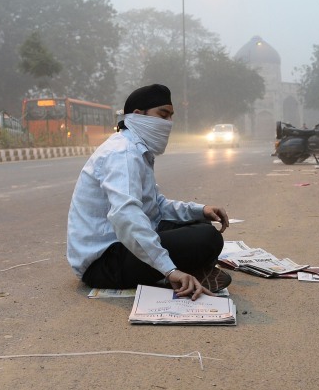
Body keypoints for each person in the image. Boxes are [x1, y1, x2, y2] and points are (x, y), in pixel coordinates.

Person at [67, 84, 231, 301]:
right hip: (104, 263)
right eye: (162, 115)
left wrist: (201, 210)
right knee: (206, 238)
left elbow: (157, 206)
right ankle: (179, 274)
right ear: (138, 115)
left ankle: (188, 270)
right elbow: (126, 216)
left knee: (201, 225)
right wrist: (169, 270)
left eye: (171, 117)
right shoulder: (122, 154)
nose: (168, 123)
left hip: (121, 244)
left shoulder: (136, 149)